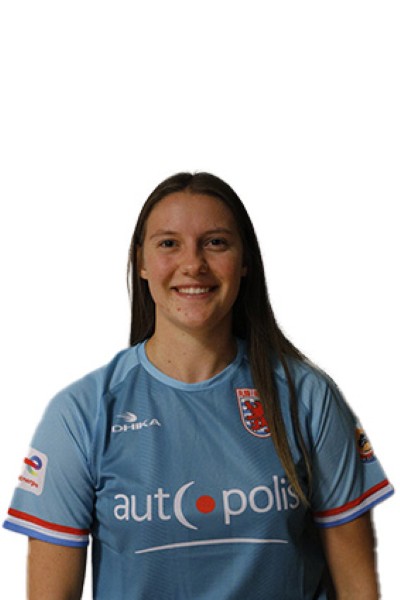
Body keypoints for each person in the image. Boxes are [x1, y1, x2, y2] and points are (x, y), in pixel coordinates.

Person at [3, 172, 394, 599]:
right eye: (169, 243)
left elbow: (357, 588)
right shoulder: (82, 413)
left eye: (215, 242)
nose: (193, 264)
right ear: (141, 262)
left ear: (244, 262)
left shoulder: (307, 397)